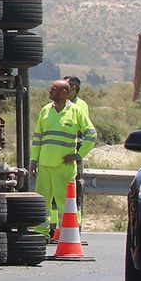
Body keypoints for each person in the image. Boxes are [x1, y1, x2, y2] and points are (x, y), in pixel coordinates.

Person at [31, 79, 97, 237]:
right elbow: (38, 137)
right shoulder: (45, 110)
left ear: (65, 93)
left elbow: (91, 134)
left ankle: (68, 236)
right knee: (42, 203)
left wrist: (78, 155)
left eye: (54, 89)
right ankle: (41, 234)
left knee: (65, 204)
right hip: (45, 165)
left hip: (64, 168)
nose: (50, 91)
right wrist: (34, 160)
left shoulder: (75, 111)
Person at [65, 76, 91, 209]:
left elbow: (83, 130)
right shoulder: (60, 103)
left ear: (74, 89)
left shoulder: (80, 106)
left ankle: (76, 219)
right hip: (62, 153)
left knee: (75, 185)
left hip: (75, 150)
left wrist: (78, 155)